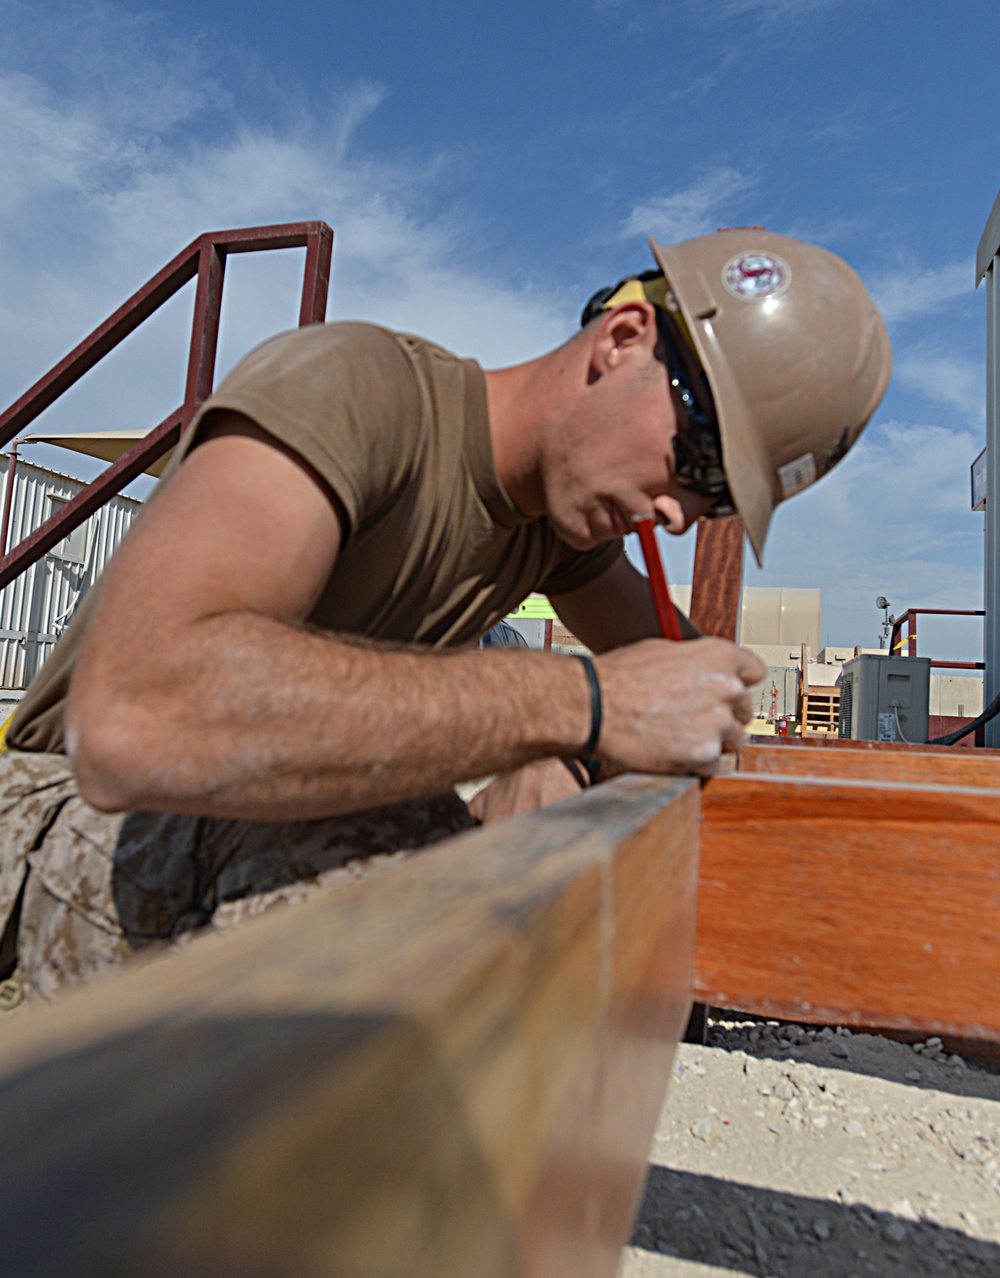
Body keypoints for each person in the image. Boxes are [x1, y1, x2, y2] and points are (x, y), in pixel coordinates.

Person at [0, 228, 890, 1007]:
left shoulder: (557, 531)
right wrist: (577, 707)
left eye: (720, 500)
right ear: (623, 338)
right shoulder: (354, 387)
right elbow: (136, 720)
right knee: (395, 852)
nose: (680, 516)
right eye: (697, 457)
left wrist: (566, 763)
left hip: (220, 828)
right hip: (58, 826)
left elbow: (695, 701)